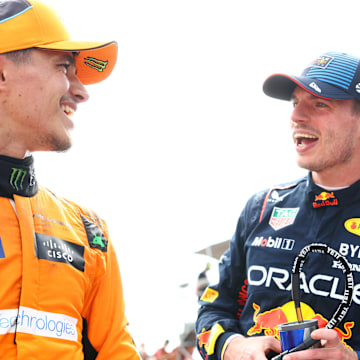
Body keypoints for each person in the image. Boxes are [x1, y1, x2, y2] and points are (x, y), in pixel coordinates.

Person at [195, 51, 360, 360]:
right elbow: (214, 307)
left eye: (320, 104)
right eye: (296, 103)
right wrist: (234, 346)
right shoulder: (262, 208)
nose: (297, 116)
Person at [0, 0, 139, 359]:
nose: (81, 91)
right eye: (64, 66)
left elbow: (116, 351)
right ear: (2, 74)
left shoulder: (87, 228)